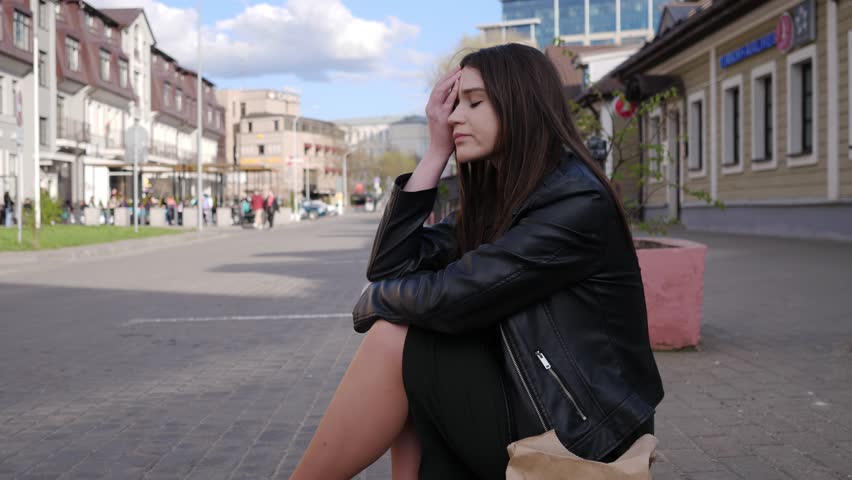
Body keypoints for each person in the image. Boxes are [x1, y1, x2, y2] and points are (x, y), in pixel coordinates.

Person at [290, 44, 664, 480]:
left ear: (519, 105)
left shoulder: (575, 201)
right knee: (410, 348)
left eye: (474, 102)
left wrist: (374, 300)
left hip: (582, 432)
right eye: (454, 104)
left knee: (395, 340)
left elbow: (454, 297)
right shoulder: (504, 198)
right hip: (532, 396)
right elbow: (393, 267)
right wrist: (435, 154)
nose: (453, 117)